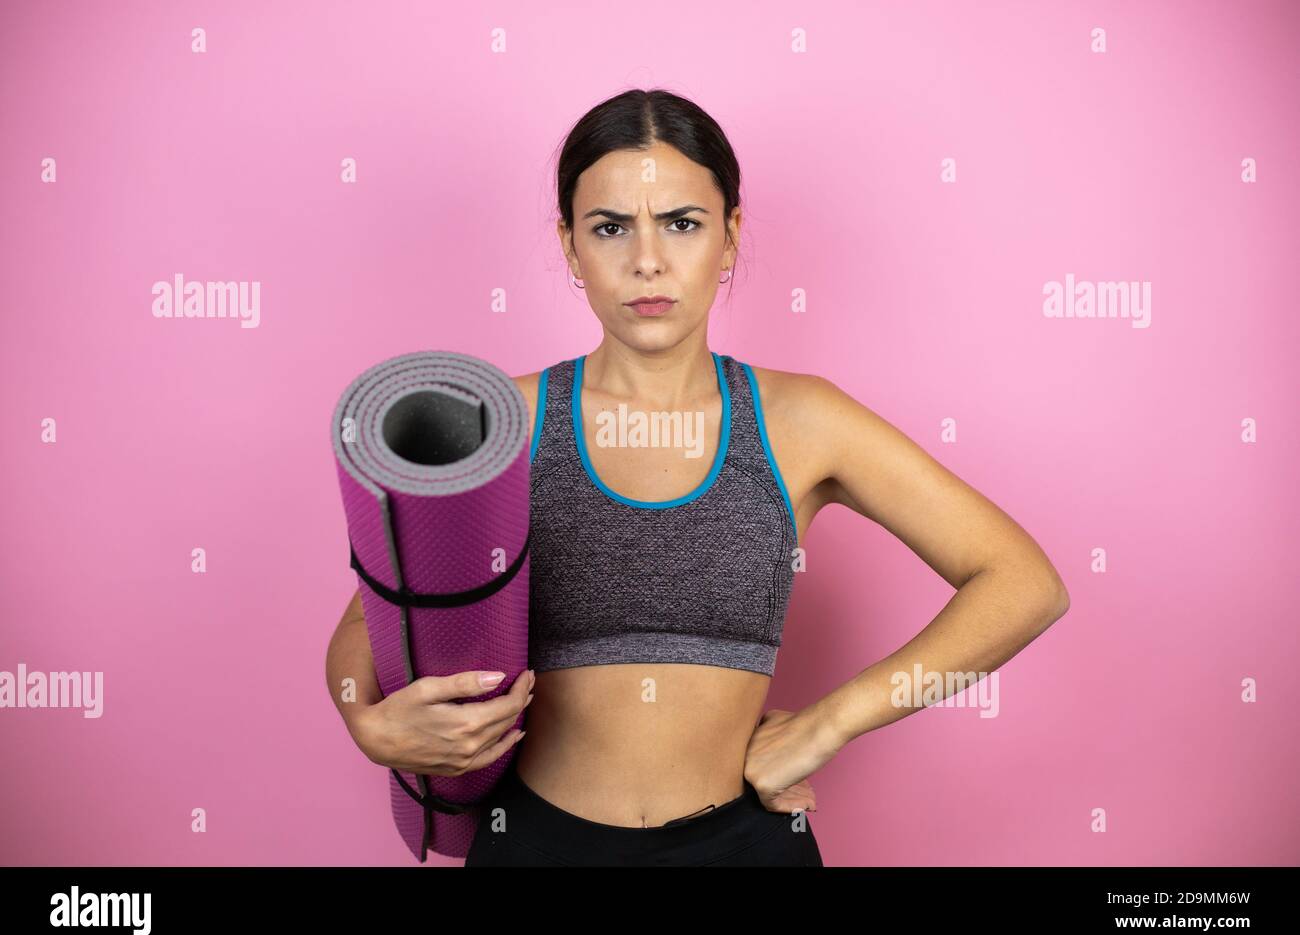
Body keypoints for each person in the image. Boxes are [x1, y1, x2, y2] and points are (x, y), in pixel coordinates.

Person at [325, 88, 1070, 866]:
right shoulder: (503, 420)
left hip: (745, 845)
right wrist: (367, 723)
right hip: (534, 842)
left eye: (682, 223)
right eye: (610, 227)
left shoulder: (801, 420)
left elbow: (1025, 582)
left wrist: (830, 723)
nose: (647, 259)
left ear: (730, 236)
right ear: (571, 246)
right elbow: (373, 617)